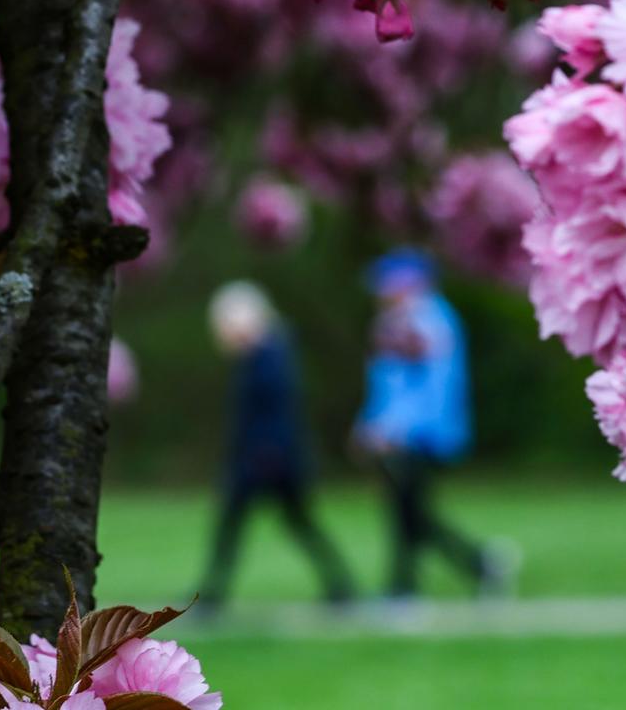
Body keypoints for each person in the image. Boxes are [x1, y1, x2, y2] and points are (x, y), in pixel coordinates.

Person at [354, 249, 512, 599]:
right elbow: (385, 382)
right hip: (395, 435)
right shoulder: (390, 324)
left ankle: (407, 588)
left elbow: (436, 387)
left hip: (424, 435)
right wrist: (369, 425)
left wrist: (399, 430)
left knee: (409, 512)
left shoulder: (434, 323)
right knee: (409, 512)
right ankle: (479, 566)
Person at [194, 281, 355, 610]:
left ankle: (212, 595)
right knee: (284, 525)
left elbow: (274, 413)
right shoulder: (264, 355)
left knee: (248, 526)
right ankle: (340, 585)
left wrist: (260, 457)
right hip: (266, 459)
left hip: (268, 461)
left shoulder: (268, 357)